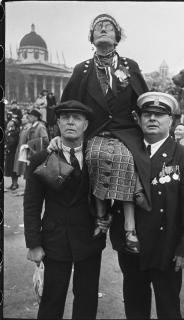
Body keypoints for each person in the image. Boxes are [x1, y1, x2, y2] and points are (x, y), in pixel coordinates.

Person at [48, 13, 151, 253]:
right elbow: (67, 106)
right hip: (95, 132)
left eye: (109, 27)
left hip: (127, 132)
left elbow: (144, 103)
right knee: (93, 157)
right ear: (91, 38)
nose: (103, 30)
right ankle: (101, 217)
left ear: (117, 37)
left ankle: (130, 226)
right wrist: (58, 134)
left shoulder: (130, 66)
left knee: (128, 159)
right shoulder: (81, 70)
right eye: (98, 28)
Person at [109, 92, 184, 319]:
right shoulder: (124, 151)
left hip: (168, 248)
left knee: (168, 307)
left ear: (171, 121)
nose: (152, 118)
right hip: (131, 246)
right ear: (139, 119)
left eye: (159, 115)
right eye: (147, 114)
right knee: (134, 306)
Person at [24, 100, 107, 320]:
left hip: (89, 238)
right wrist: (34, 243)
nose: (71, 122)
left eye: (77, 118)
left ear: (86, 124)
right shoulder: (42, 158)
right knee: (52, 299)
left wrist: (105, 218)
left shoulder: (98, 156)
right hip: (54, 239)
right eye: (65, 117)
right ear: (58, 123)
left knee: (87, 299)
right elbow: (32, 204)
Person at [13, 113, 32, 181]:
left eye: (24, 118)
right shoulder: (23, 127)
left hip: (25, 151)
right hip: (20, 150)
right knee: (20, 168)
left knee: (26, 169)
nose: (22, 119)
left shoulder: (29, 128)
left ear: (28, 119)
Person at [4, 118, 20, 190]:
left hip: (14, 153)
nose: (10, 124)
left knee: (14, 169)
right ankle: (13, 183)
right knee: (10, 169)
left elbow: (12, 142)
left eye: (12, 123)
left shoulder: (16, 132)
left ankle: (15, 184)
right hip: (9, 152)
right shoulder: (9, 131)